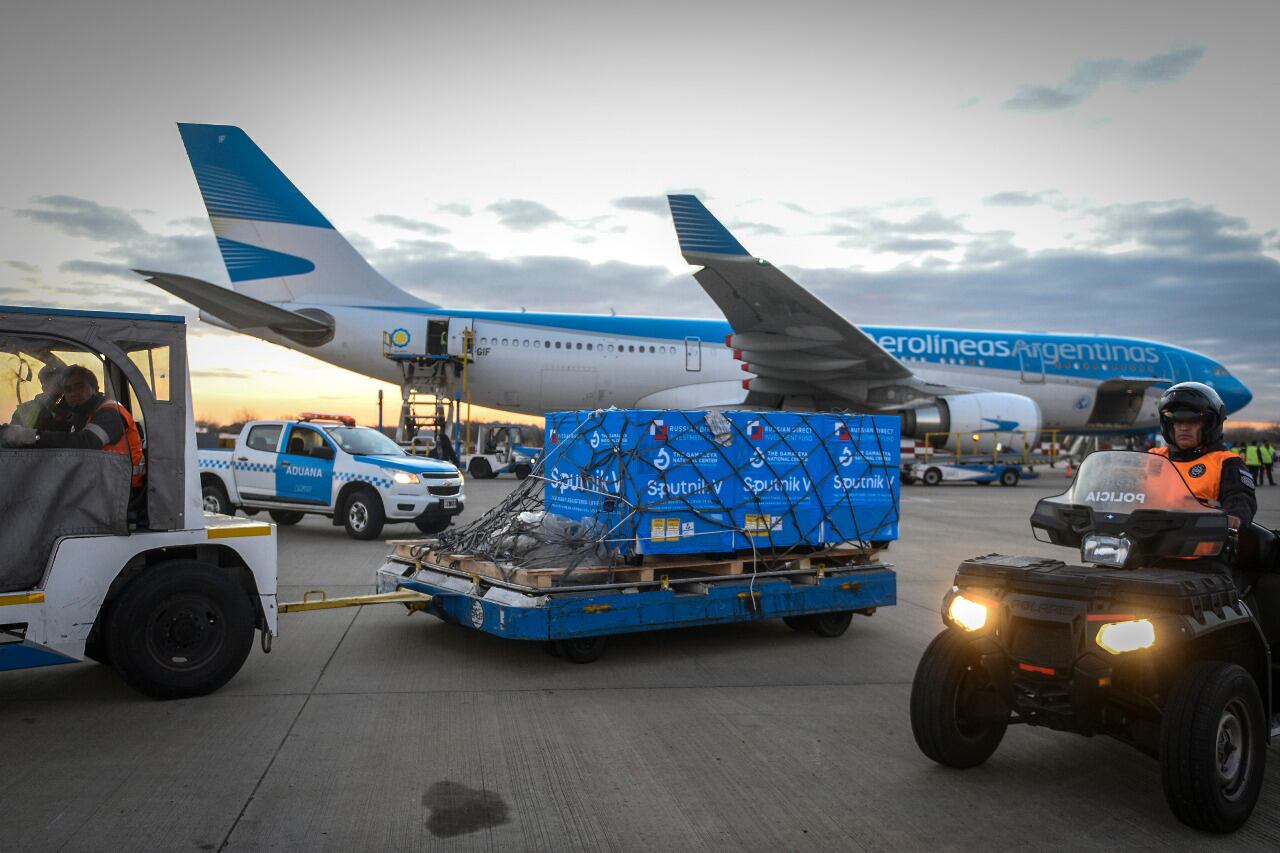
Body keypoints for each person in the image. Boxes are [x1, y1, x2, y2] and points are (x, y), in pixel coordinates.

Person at [1148, 382, 1256, 589]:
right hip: (1150, 549)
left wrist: (1233, 519)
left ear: (1209, 424)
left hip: (1202, 558)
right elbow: (1124, 489)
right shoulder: (1153, 458)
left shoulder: (1225, 462)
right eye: (1176, 421)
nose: (1183, 427)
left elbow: (1241, 500)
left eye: (1192, 421)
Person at [5, 365, 145, 488]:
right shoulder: (80, 416)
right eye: (68, 389)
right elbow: (58, 440)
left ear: (95, 389)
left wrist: (31, 436)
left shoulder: (110, 411)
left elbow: (87, 442)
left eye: (80, 386)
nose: (74, 393)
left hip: (121, 490)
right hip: (100, 483)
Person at [9, 363, 66, 430]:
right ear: (44, 387)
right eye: (55, 383)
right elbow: (13, 438)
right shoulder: (25, 411)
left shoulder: (75, 408)